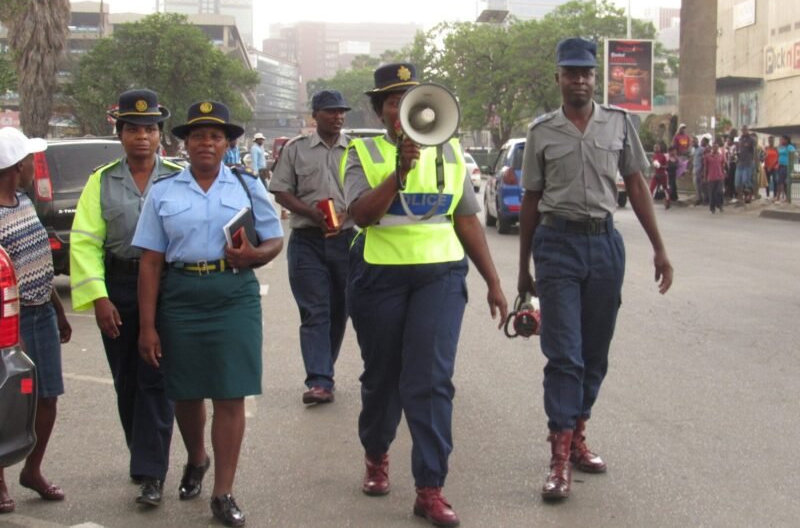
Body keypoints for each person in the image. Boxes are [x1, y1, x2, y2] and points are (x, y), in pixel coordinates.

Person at [341, 62, 507, 527]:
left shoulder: (451, 152)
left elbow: (467, 218)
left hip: (440, 276)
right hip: (379, 276)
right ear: (380, 112)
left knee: (430, 380)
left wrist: (493, 281)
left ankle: (430, 488)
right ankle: (376, 452)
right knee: (383, 377)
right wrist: (398, 172)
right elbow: (362, 215)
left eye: (411, 99)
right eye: (393, 101)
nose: (404, 109)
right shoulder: (362, 152)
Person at [516, 38, 673, 503]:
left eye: (586, 73)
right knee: (565, 354)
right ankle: (559, 459)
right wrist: (523, 269)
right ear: (559, 78)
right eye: (571, 73)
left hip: (604, 245)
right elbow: (529, 199)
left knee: (596, 352)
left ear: (594, 78)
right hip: (557, 245)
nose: (579, 80)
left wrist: (659, 249)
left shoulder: (619, 124)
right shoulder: (542, 131)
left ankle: (577, 432)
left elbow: (638, 186)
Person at [133, 101, 284, 527]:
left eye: (215, 136)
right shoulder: (164, 191)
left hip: (233, 293)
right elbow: (150, 262)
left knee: (230, 391)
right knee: (185, 391)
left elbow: (274, 240)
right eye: (198, 135)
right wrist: (147, 326)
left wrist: (255, 255)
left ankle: (223, 491)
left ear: (227, 144)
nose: (206, 143)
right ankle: (196, 457)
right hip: (181, 295)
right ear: (185, 142)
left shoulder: (246, 185)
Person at [70, 89, 181, 506]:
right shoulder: (101, 181)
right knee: (127, 381)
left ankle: (153, 473)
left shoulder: (176, 177)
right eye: (132, 129)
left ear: (160, 136)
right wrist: (98, 297)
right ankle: (143, 457)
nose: (141, 137)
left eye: (149, 129)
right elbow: (83, 243)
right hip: (117, 287)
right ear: (119, 134)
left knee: (156, 377)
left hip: (166, 287)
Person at [0, 127, 71, 514]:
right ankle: (0, 478)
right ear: (15, 167)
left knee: (47, 398)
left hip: (42, 313)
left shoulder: (25, 201)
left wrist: (59, 311)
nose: (33, 166)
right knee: (8, 404)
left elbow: (40, 263)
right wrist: (10, 338)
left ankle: (33, 469)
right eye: (29, 161)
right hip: (11, 323)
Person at [269, 90, 353, 404]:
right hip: (308, 242)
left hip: (347, 240)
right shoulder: (296, 150)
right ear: (314, 116)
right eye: (331, 111)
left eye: (341, 111)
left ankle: (324, 369)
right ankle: (319, 380)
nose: (338, 116)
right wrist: (310, 212)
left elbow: (368, 192)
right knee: (315, 310)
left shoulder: (356, 149)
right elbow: (280, 191)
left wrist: (350, 213)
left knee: (339, 310)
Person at [735, 125, 756, 204]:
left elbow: (754, 151)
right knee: (737, 182)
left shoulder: (751, 140)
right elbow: (738, 151)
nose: (744, 131)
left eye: (745, 130)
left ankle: (749, 196)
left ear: (748, 130)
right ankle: (740, 197)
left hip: (748, 163)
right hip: (740, 163)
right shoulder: (740, 139)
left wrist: (752, 162)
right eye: (743, 130)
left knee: (746, 181)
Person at [704, 140, 726, 213]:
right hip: (711, 177)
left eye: (716, 147)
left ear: (718, 147)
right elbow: (705, 167)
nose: (715, 148)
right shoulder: (707, 156)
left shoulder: (721, 156)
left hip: (719, 177)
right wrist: (705, 177)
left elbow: (722, 166)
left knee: (719, 192)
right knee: (711, 194)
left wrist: (724, 173)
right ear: (712, 148)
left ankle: (720, 205)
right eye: (713, 147)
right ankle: (712, 208)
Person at [775, 134, 795, 203]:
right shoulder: (782, 147)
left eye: (782, 139)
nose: (781, 141)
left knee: (783, 182)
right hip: (780, 165)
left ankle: (784, 197)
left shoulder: (790, 147)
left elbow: (793, 156)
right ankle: (779, 197)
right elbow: (778, 153)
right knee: (780, 181)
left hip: (786, 166)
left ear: (786, 140)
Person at [693, 136, 709, 205]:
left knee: (703, 185)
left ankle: (705, 198)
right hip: (695, 168)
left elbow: (704, 160)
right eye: (693, 142)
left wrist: (703, 170)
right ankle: (699, 198)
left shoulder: (702, 149)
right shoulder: (694, 149)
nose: (693, 143)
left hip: (700, 169)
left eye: (695, 141)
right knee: (697, 185)